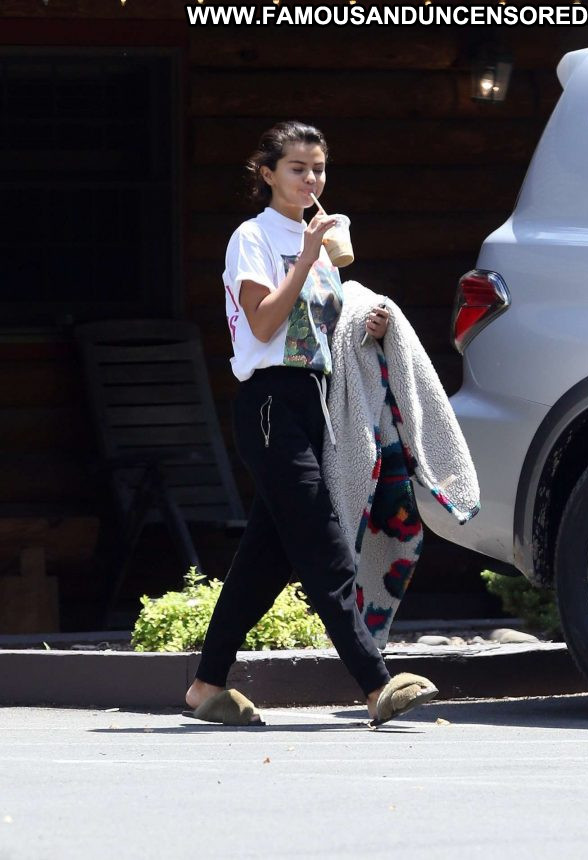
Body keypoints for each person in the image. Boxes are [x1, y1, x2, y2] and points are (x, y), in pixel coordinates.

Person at [185, 121, 437, 727]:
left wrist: (367, 326)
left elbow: (321, 330)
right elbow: (264, 323)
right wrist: (305, 255)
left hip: (313, 402)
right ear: (268, 174)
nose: (311, 179)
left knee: (266, 558)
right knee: (324, 542)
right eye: (297, 168)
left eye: (318, 169)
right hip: (269, 404)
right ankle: (375, 684)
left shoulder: (321, 242)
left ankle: (205, 684)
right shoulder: (252, 237)